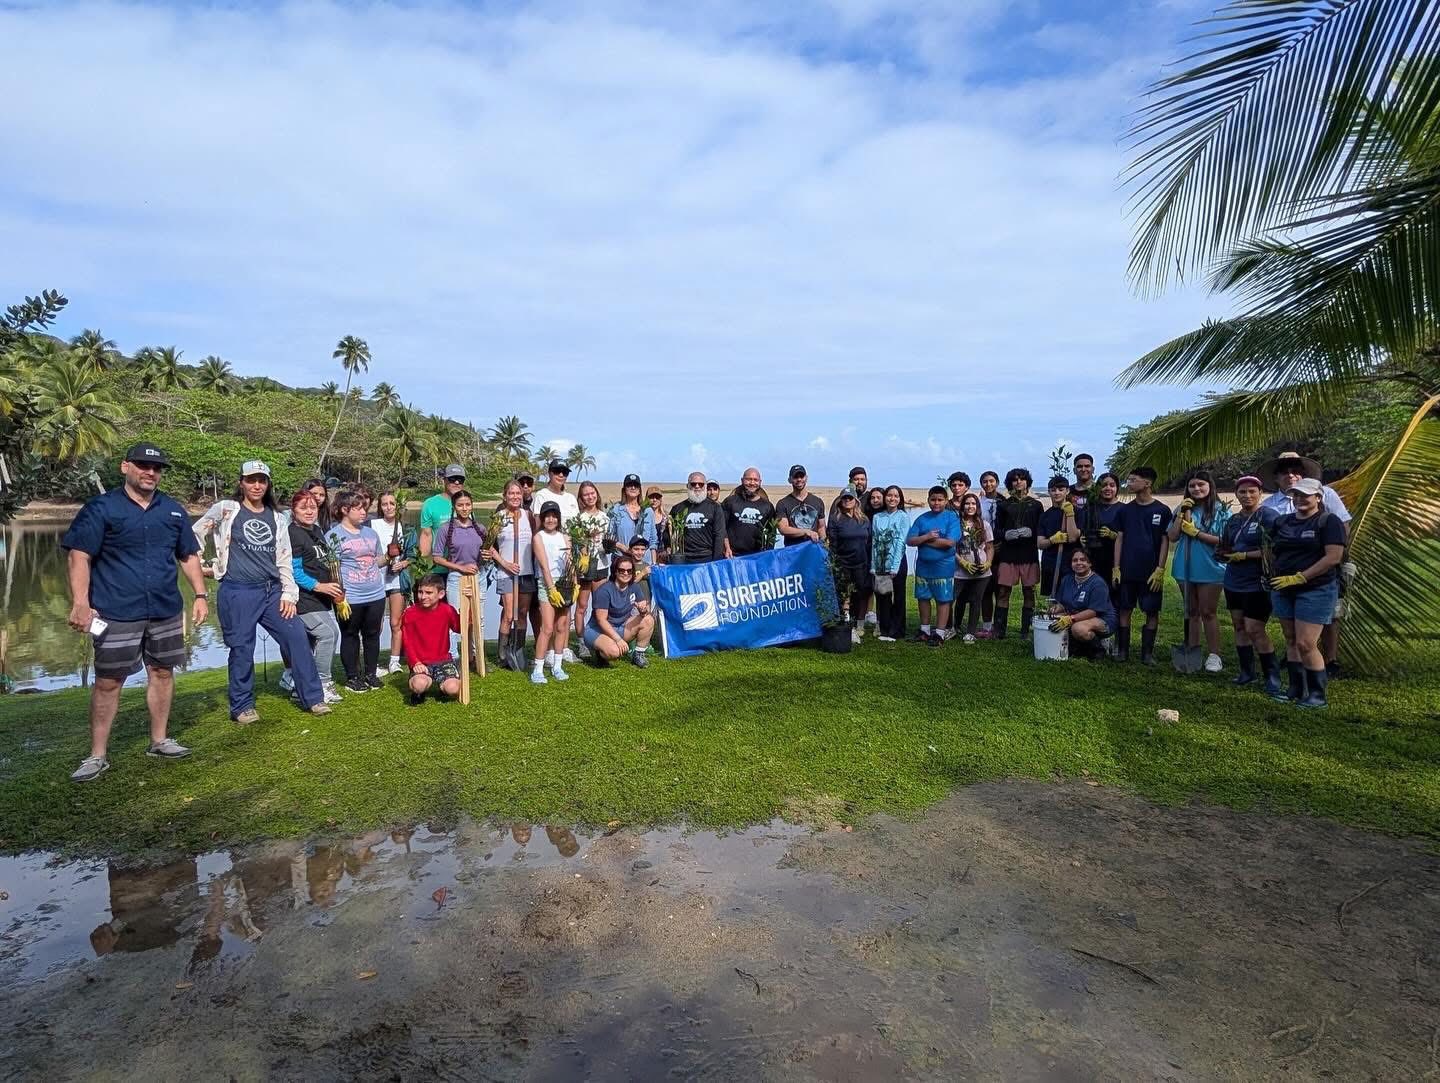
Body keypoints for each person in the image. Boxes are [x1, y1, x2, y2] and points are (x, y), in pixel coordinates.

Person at [61, 443, 210, 782]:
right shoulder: (101, 508)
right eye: (143, 465)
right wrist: (80, 602)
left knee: (162, 672)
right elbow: (79, 555)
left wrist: (200, 595)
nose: (150, 472)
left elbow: (188, 556)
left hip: (165, 609)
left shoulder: (172, 511)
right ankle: (97, 755)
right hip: (116, 611)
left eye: (156, 468)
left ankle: (159, 740)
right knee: (109, 681)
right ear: (125, 466)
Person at [193, 460, 330, 723]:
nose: (257, 485)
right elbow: (195, 533)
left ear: (268, 484)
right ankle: (242, 706)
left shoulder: (277, 517)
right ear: (242, 483)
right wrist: (200, 564)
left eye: (262, 481)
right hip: (238, 591)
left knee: (297, 638)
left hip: (272, 591)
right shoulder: (227, 509)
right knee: (242, 648)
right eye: (251, 480)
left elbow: (284, 558)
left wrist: (289, 594)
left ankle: (313, 697)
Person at [1259, 449, 1353, 674]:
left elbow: (1342, 528)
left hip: (1320, 574)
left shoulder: (1327, 496)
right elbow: (1269, 543)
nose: (1291, 475)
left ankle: (1330, 660)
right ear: (1276, 477)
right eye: (1285, 471)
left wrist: (1334, 555)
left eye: (1295, 470)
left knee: (1328, 618)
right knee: (1294, 634)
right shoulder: (1270, 506)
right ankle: (1297, 673)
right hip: (1284, 579)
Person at [1268, 477, 1346, 708]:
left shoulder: (1328, 522)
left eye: (1305, 495)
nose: (1300, 499)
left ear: (1318, 497)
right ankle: (1295, 688)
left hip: (1315, 589)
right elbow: (1273, 550)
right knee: (1291, 639)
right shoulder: (1283, 521)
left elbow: (1333, 557)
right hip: (1283, 588)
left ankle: (1317, 694)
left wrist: (1301, 576)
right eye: (1296, 495)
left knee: (1306, 643)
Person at [1219, 475, 1282, 694]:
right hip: (1233, 581)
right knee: (1238, 626)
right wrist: (1223, 553)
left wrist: (1246, 555)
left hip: (1257, 583)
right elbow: (1226, 544)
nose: (1247, 495)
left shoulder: (1269, 517)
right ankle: (1247, 672)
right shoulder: (1233, 520)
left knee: (1255, 628)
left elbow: (1276, 549)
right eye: (1242, 492)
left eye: (1252, 491)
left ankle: (1272, 675)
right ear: (1236, 494)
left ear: (1260, 493)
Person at [1167, 470, 1231, 673]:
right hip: (1184, 565)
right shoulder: (1182, 508)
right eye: (1192, 485)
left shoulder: (1221, 510)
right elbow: (1172, 536)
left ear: (1210, 486)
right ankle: (1193, 649)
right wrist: (1180, 515)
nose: (1196, 489)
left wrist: (1197, 533)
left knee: (1208, 612)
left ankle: (1214, 655)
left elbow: (1225, 541)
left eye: (1200, 485)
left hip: (1210, 567)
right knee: (1191, 611)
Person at [284, 491, 343, 705]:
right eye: (303, 508)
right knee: (328, 634)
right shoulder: (293, 534)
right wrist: (320, 586)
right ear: (293, 511)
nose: (309, 512)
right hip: (304, 598)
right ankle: (322, 684)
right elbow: (295, 571)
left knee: (311, 641)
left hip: (321, 598)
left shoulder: (316, 530)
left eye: (313, 507)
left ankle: (299, 687)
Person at [327, 490, 387, 693]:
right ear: (345, 509)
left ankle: (371, 674)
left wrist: (389, 556)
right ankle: (352, 677)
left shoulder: (371, 533)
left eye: (365, 508)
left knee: (372, 634)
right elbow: (332, 568)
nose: (364, 512)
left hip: (376, 593)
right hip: (350, 596)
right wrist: (338, 595)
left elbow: (377, 561)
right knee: (350, 634)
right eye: (359, 508)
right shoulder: (333, 536)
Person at [1112, 466, 1172, 665]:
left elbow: (1165, 540)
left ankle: (1147, 654)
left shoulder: (1162, 510)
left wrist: (1160, 569)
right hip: (1127, 570)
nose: (1128, 483)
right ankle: (1123, 651)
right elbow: (1119, 538)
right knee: (1124, 609)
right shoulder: (1125, 510)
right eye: (1128, 480)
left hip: (1150, 572)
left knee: (1151, 611)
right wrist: (1116, 567)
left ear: (1147, 483)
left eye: (1133, 480)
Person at [428, 489, 487, 663]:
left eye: (468, 504)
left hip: (478, 577)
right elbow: (437, 557)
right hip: (456, 578)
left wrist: (487, 557)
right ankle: (452, 657)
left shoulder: (480, 528)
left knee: (478, 619)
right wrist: (461, 567)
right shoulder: (445, 529)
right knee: (455, 619)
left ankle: (477, 657)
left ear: (472, 506)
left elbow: (487, 552)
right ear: (454, 507)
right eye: (460, 505)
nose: (464, 508)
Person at [488, 480, 535, 670]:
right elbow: (488, 546)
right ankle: (502, 654)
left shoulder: (528, 516)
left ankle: (518, 649)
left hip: (526, 572)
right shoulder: (499, 517)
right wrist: (505, 564)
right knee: (508, 615)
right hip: (506, 573)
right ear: (505, 496)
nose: (515, 496)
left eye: (518, 493)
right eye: (511, 493)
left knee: (522, 613)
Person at [906, 485, 961, 645]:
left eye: (940, 500)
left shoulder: (952, 518)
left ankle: (939, 633)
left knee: (943, 599)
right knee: (923, 597)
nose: (936, 503)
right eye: (933, 500)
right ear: (928, 500)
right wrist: (927, 537)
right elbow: (910, 540)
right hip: (923, 566)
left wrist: (923, 540)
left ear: (946, 501)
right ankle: (924, 630)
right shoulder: (922, 519)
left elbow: (949, 542)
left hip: (943, 566)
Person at [993, 468, 1043, 640]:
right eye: (1015, 480)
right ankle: (1000, 630)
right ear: (1010, 484)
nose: (1018, 482)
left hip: (1029, 555)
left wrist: (1033, 532)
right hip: (1008, 555)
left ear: (1027, 482)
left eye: (1021, 479)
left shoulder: (1036, 505)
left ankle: (1025, 631)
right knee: (1003, 592)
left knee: (1029, 592)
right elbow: (996, 530)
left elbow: (1042, 530)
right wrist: (1006, 534)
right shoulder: (1004, 505)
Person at [583, 554, 656, 666]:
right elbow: (601, 620)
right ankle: (599, 652)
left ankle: (638, 655)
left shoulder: (634, 587)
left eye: (629, 571)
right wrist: (618, 640)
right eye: (622, 570)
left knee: (648, 619)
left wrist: (643, 611)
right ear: (615, 572)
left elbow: (644, 611)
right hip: (597, 629)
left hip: (620, 626)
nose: (626, 573)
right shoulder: (604, 590)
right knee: (615, 652)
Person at [371, 491, 414, 676]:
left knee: (396, 623)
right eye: (384, 504)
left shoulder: (405, 527)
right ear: (380, 507)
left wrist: (404, 563)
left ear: (398, 506)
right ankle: (371, 662)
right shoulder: (373, 525)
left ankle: (394, 661)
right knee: (376, 624)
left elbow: (413, 554)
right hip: (377, 580)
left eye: (392, 503)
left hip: (397, 580)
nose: (388, 507)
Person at [401, 574, 462, 705]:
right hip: (422, 662)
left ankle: (444, 686)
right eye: (420, 592)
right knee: (419, 684)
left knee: (453, 688)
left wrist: (467, 612)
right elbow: (407, 642)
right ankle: (419, 691)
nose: (423, 596)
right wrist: (415, 663)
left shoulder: (447, 610)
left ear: (441, 594)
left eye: (428, 593)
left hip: (443, 660)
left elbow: (459, 628)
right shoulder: (410, 613)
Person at [531, 500, 573, 683]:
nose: (550, 519)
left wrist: (575, 584)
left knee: (562, 626)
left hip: (565, 583)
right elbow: (544, 566)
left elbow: (570, 562)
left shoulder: (565, 537)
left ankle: (557, 666)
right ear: (542, 518)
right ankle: (538, 669)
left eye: (554, 516)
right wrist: (551, 589)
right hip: (547, 583)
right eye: (547, 516)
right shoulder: (538, 537)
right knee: (547, 627)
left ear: (558, 518)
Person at [1048, 548, 1116, 658]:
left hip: (1101, 619)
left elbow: (1093, 611)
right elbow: (1062, 603)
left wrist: (1070, 619)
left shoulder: (1098, 583)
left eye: (1083, 560)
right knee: (1053, 619)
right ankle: (1077, 648)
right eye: (1075, 560)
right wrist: (1055, 609)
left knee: (1078, 629)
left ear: (1090, 563)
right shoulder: (1066, 579)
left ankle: (1100, 648)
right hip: (1076, 615)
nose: (1079, 563)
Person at [827, 488, 872, 643]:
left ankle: (854, 625)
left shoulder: (864, 519)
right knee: (843, 596)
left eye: (850, 498)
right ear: (840, 501)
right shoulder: (835, 519)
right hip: (843, 564)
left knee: (859, 595)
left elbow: (868, 542)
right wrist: (833, 564)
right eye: (844, 498)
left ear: (856, 501)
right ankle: (845, 626)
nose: (847, 500)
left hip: (861, 564)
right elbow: (833, 544)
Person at [573, 480, 610, 654]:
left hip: (602, 565)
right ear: (581, 498)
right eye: (586, 494)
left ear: (597, 494)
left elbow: (607, 542)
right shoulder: (578, 518)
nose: (590, 497)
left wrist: (609, 546)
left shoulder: (605, 517)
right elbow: (576, 543)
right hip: (585, 566)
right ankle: (581, 642)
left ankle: (597, 638)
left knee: (600, 606)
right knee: (582, 606)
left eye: (592, 493)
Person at [870, 485, 909, 642]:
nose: (892, 499)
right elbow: (875, 541)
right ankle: (884, 629)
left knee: (898, 597)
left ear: (900, 499)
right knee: (883, 596)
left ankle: (897, 630)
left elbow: (901, 542)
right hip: (880, 561)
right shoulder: (877, 517)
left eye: (896, 496)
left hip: (897, 562)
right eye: (889, 495)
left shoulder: (903, 517)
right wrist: (873, 565)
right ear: (885, 498)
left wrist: (894, 566)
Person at [953, 491, 994, 642]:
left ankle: (970, 632)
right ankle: (954, 626)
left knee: (976, 600)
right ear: (962, 506)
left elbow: (989, 547)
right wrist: (962, 562)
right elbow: (951, 548)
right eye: (967, 503)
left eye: (973, 503)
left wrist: (988, 562)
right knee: (958, 599)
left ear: (977, 506)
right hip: (960, 571)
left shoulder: (985, 525)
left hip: (981, 572)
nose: (970, 506)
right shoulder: (956, 525)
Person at [1036, 475, 1080, 594]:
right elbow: (1040, 544)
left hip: (1071, 564)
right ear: (1049, 492)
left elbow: (1072, 537)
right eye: (1053, 490)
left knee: (1071, 597)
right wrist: (1052, 540)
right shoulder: (1045, 516)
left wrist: (1070, 514)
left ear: (1067, 491)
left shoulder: (1077, 512)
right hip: (1051, 564)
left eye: (1061, 490)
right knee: (1053, 599)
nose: (1057, 493)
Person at [669, 472, 726, 564]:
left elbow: (719, 535)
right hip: (683, 558)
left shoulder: (715, 508)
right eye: (693, 484)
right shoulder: (678, 508)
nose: (697, 486)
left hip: (707, 557)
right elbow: (669, 534)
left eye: (701, 484)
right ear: (687, 486)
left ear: (705, 486)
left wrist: (716, 562)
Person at [722, 467, 775, 557]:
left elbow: (771, 533)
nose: (752, 483)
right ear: (742, 480)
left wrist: (768, 553)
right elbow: (722, 528)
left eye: (755, 480)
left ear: (760, 482)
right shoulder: (730, 502)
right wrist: (726, 548)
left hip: (757, 556)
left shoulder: (767, 506)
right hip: (732, 555)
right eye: (748, 479)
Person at [418, 465, 466, 559]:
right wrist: (421, 562)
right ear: (444, 480)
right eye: (452, 479)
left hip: (464, 563)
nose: (456, 482)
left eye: (460, 479)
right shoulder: (430, 504)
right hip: (440, 562)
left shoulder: (466, 503)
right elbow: (426, 535)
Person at [607, 473, 658, 559]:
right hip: (623, 560)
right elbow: (610, 537)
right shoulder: (616, 509)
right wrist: (624, 548)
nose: (633, 487)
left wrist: (653, 563)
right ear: (624, 489)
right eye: (629, 485)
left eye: (636, 485)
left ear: (639, 490)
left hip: (645, 561)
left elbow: (653, 540)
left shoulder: (648, 511)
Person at [1085, 472, 1124, 584]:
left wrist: (1114, 535)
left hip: (1116, 559)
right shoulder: (1091, 508)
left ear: (1117, 488)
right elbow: (1083, 527)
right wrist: (1083, 539)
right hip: (1093, 558)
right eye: (1104, 485)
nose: (1108, 488)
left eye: (1112, 485)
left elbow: (1131, 537)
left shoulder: (1124, 509)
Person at [977, 470, 1002, 634]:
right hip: (984, 548)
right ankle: (987, 625)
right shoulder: (979, 503)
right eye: (985, 481)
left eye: (991, 481)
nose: (988, 484)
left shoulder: (1004, 502)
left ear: (997, 483)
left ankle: (999, 625)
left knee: (1001, 589)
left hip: (1001, 549)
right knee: (986, 587)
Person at [776, 465, 826, 546]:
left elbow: (821, 527)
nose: (799, 479)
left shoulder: (817, 501)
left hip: (813, 548)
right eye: (795, 477)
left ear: (806, 478)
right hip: (793, 550)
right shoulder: (782, 503)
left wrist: (823, 545)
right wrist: (806, 532)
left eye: (801, 476)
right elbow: (783, 529)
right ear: (790, 480)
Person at [531, 460, 579, 524]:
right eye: (557, 471)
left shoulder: (571, 498)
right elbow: (538, 524)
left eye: (565, 472)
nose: (561, 475)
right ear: (549, 474)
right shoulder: (541, 495)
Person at [646, 487, 671, 561]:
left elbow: (670, 538)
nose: (654, 500)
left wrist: (669, 550)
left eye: (657, 497)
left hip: (663, 556)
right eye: (651, 497)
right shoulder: (643, 516)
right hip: (647, 555)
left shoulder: (666, 517)